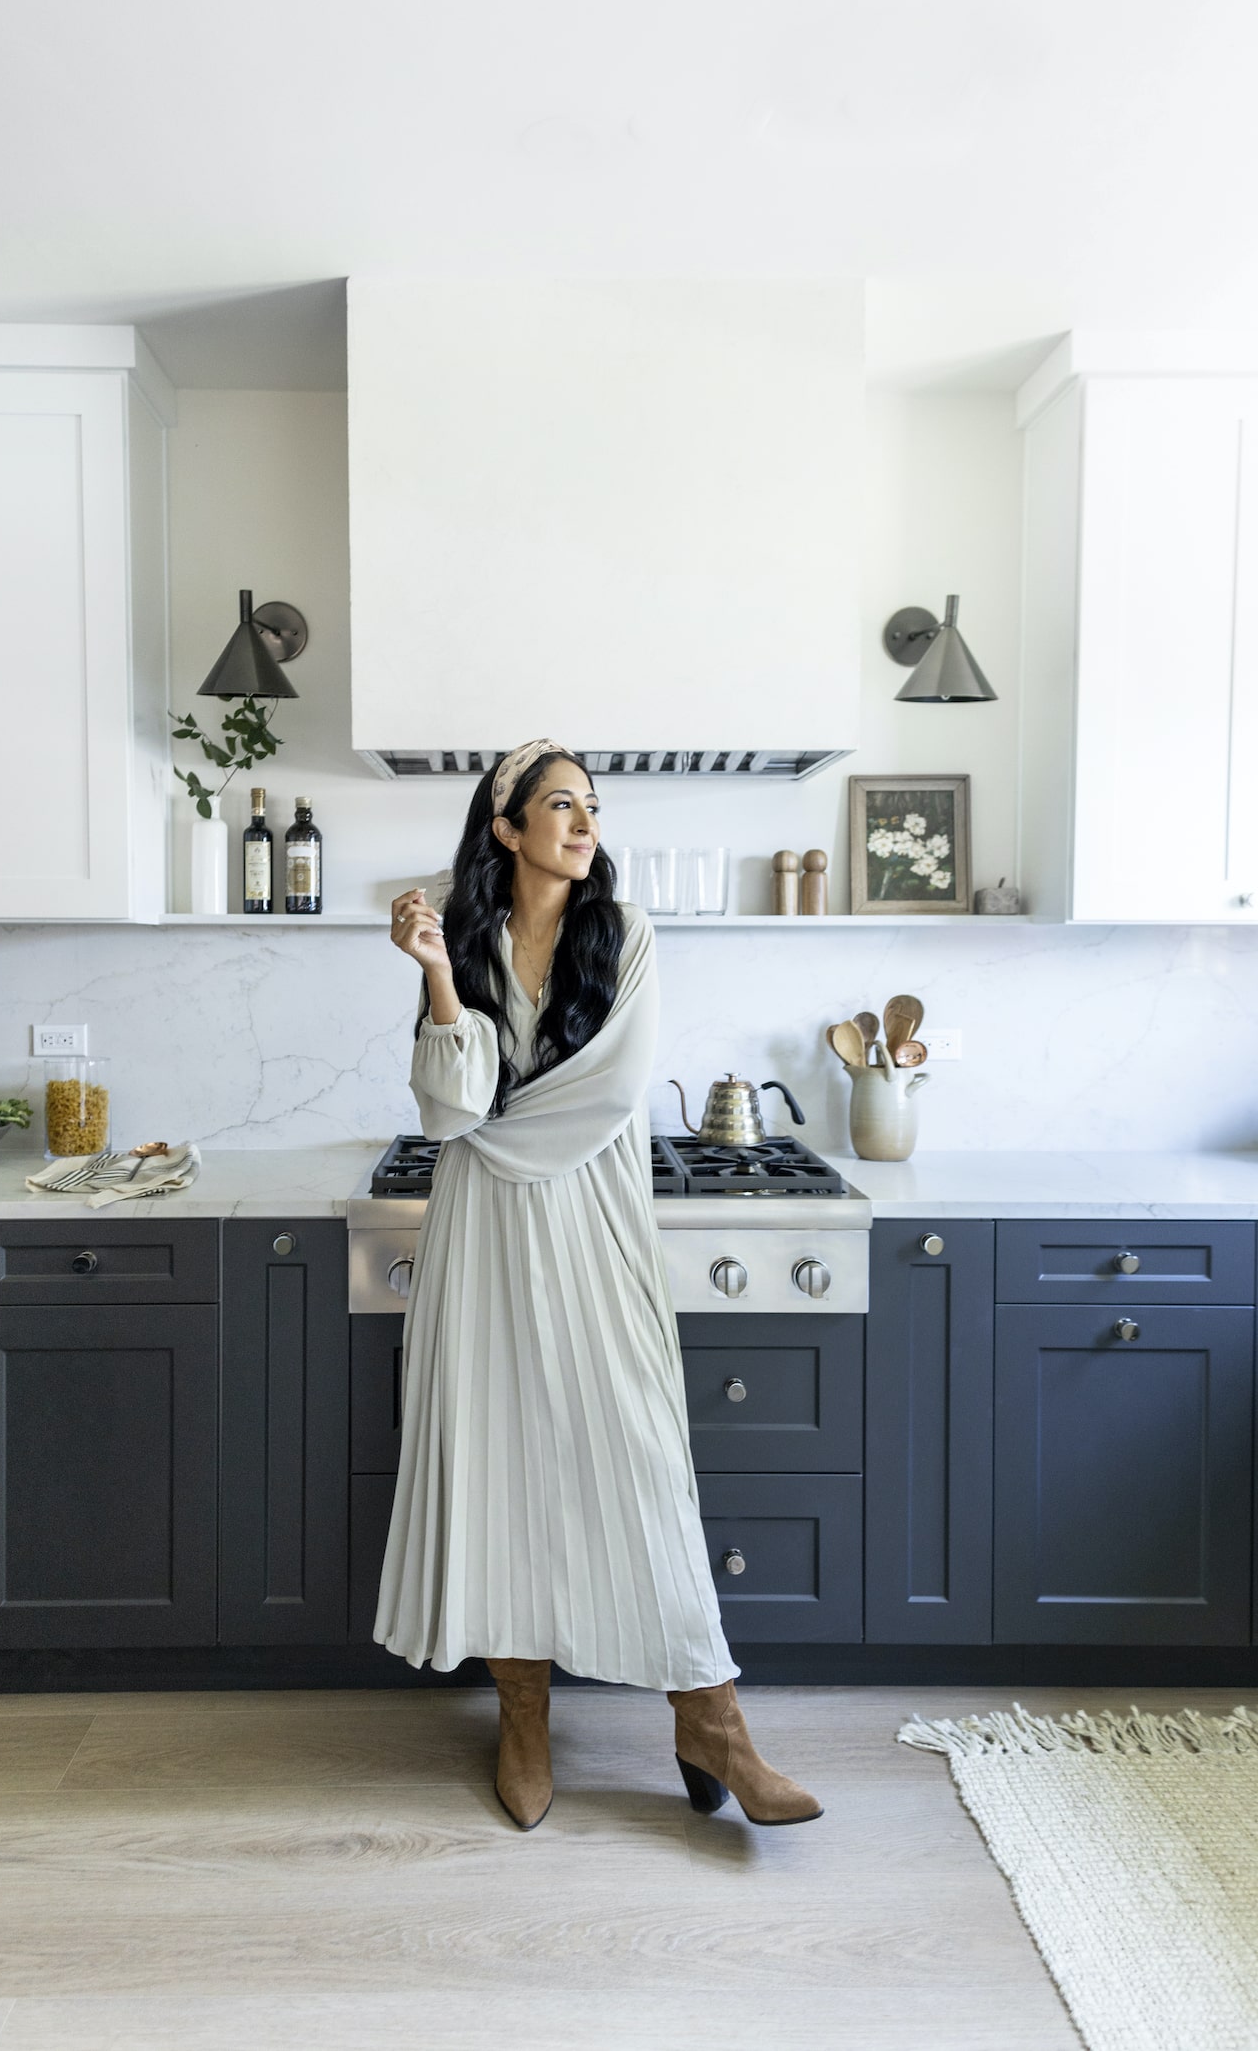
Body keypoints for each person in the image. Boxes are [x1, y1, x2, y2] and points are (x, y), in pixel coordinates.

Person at [375, 738, 822, 1833]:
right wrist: (435, 971)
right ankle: (520, 1717)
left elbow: (607, 1093)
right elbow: (445, 1111)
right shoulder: (466, 938)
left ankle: (710, 1717)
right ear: (505, 827)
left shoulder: (620, 934)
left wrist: (486, 1124)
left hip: (590, 1227)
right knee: (495, 1467)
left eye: (591, 807)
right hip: (481, 1237)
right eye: (560, 806)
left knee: (635, 1464)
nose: (583, 824)